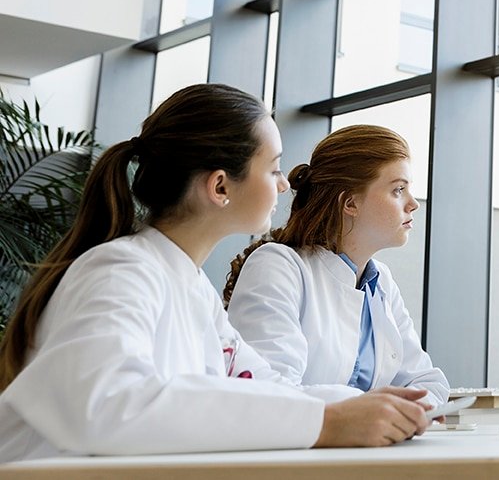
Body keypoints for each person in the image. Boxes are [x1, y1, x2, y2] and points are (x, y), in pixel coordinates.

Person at [0, 84, 431, 462]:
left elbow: (264, 385)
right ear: (221, 186)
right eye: (273, 168)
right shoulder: (119, 272)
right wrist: (325, 420)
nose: (284, 185)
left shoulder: (191, 288)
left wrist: (369, 410)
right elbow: (108, 405)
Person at [224, 125, 447, 407]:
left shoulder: (380, 281)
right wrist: (370, 408)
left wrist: (394, 412)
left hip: (369, 446)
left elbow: (427, 381)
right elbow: (267, 392)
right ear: (350, 203)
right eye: (398, 190)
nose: (413, 203)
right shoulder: (278, 266)